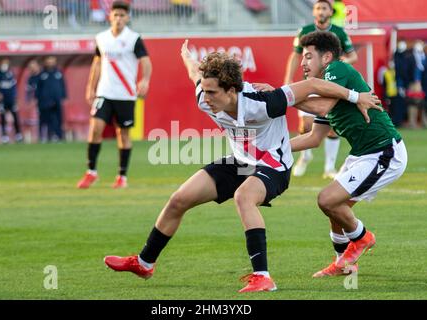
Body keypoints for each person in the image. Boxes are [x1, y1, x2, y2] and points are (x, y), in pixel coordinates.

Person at [102, 40, 381, 293]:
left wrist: (356, 97)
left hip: (274, 166)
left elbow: (311, 87)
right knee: (179, 200)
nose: (206, 98)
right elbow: (194, 75)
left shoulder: (264, 102)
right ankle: (144, 262)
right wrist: (186, 56)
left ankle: (263, 277)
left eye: (212, 92)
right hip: (242, 162)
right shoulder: (205, 97)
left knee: (244, 197)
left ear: (232, 90)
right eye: (205, 90)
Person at [289, 31, 407, 277]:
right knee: (334, 208)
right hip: (363, 154)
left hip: (384, 151)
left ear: (327, 57)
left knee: (327, 200)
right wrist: (275, 148)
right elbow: (314, 138)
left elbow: (320, 106)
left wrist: (279, 98)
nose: (303, 62)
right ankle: (342, 264)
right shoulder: (330, 89)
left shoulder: (336, 70)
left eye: (309, 56)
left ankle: (363, 238)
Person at [77, 1, 152, 189]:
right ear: (110, 16)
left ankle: (122, 176)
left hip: (126, 94)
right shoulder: (101, 38)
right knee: (95, 128)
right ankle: (91, 172)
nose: (118, 18)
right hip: (105, 92)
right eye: (115, 15)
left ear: (127, 18)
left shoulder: (134, 38)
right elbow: (96, 63)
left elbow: (146, 62)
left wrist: (145, 80)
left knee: (123, 134)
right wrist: (90, 87)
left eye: (122, 15)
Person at [284, 0, 358, 179]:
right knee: (307, 125)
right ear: (314, 12)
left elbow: (352, 56)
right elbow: (295, 56)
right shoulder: (305, 31)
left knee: (331, 126)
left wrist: (337, 65)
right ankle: (305, 156)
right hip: (309, 82)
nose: (320, 11)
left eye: (324, 8)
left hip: (331, 83)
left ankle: (329, 166)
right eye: (317, 8)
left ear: (330, 11)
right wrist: (287, 79)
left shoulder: (339, 32)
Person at [0, 58, 23, 144]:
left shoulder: (11, 73)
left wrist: (15, 98)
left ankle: (18, 134)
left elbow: (14, 87)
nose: (5, 65)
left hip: (11, 99)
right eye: (3, 63)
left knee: (15, 116)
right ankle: (4, 136)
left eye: (6, 63)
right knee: (2, 117)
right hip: (2, 100)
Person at [35, 56, 67, 142]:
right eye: (49, 61)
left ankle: (59, 136)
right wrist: (38, 99)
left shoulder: (58, 73)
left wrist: (64, 96)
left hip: (57, 100)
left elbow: (63, 86)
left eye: (52, 61)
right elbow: (38, 88)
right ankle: (47, 136)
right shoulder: (42, 74)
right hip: (45, 101)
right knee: (47, 119)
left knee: (58, 118)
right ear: (45, 62)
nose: (51, 62)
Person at [26, 60, 41, 141]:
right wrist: (29, 100)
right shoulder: (30, 79)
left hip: (44, 101)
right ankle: (39, 136)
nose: (32, 69)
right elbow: (28, 91)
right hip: (35, 102)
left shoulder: (43, 76)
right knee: (37, 119)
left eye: (33, 67)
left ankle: (51, 135)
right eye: (30, 68)